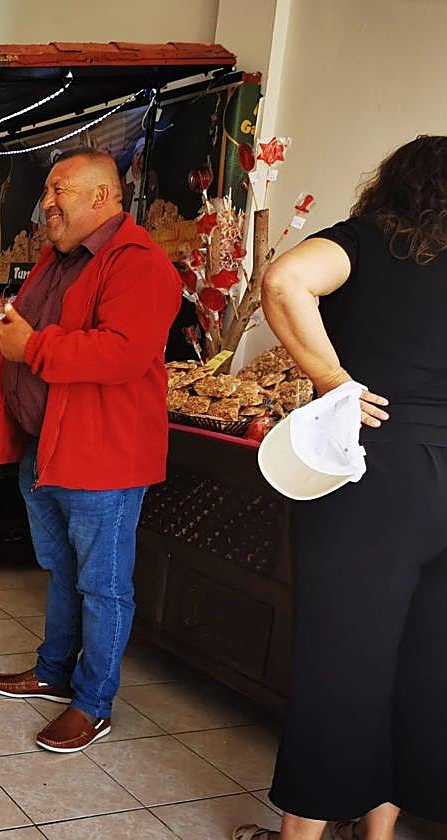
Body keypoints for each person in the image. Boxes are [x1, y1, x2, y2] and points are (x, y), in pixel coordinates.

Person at [0, 148, 180, 753]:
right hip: (45, 450)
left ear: (102, 196)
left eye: (57, 189)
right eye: (46, 190)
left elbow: (121, 352)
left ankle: (93, 704)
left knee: (103, 586)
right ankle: (52, 671)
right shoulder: (54, 260)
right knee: (61, 571)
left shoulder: (140, 264)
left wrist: (33, 350)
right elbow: (10, 333)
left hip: (103, 459)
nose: (45, 203)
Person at [235, 136, 447, 840]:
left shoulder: (370, 239)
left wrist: (333, 382)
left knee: (343, 664)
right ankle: (377, 836)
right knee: (422, 670)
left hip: (377, 475)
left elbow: (284, 280)